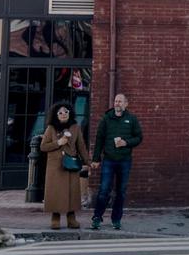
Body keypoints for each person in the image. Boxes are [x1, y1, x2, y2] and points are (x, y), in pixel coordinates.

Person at [90, 93, 142, 230]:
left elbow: (139, 138)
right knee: (104, 190)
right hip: (109, 160)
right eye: (116, 101)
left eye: (120, 101)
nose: (117, 103)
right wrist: (96, 159)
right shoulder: (106, 119)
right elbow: (99, 139)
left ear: (126, 104)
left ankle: (116, 219)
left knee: (121, 191)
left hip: (125, 160)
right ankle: (97, 217)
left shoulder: (131, 119)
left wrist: (126, 142)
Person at [40, 102, 88, 230]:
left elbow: (81, 146)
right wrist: (58, 142)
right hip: (55, 166)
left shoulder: (75, 127)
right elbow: (43, 146)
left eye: (65, 112)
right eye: (60, 112)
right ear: (56, 115)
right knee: (56, 192)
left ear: (70, 113)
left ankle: (71, 219)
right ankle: (55, 218)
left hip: (71, 164)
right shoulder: (51, 128)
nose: (63, 114)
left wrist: (88, 162)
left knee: (71, 192)